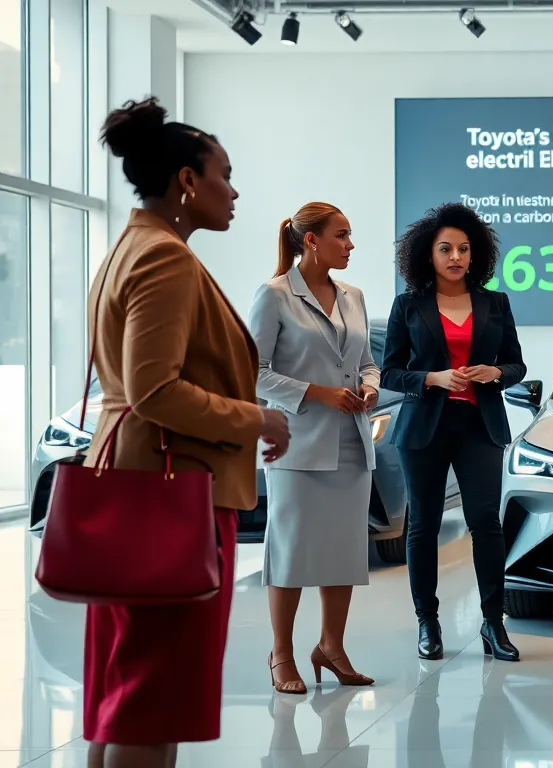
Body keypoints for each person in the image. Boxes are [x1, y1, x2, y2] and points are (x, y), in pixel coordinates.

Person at [84, 96, 291, 768]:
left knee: (125, 696)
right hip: (172, 502)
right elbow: (154, 390)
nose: (234, 191)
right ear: (186, 181)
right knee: (154, 698)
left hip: (134, 492)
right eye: (224, 174)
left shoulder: (132, 245)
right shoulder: (166, 258)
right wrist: (254, 417)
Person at [381, 202, 527, 663]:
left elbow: (517, 365)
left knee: (485, 523)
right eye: (445, 248)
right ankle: (428, 622)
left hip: (480, 426)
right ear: (428, 254)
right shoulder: (408, 305)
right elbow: (389, 373)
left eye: (463, 249)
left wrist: (495, 372)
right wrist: (432, 378)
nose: (455, 257)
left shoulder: (495, 302)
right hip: (424, 427)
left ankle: (492, 623)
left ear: (475, 254)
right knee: (422, 527)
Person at [248, 202, 380, 694]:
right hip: (298, 446)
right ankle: (281, 653)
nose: (350, 245)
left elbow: (367, 361)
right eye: (342, 236)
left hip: (351, 442)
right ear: (310, 240)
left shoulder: (354, 295)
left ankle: (332, 647)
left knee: (343, 552)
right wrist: (317, 393)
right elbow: (254, 372)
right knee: (291, 551)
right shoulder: (274, 294)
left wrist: (369, 388)